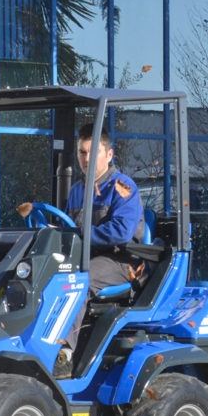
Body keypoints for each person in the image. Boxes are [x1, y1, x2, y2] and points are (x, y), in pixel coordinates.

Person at [55, 123, 145, 379]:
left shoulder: (123, 187)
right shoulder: (77, 190)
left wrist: (81, 235)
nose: (86, 159)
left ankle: (64, 353)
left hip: (120, 260)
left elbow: (122, 232)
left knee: (77, 281)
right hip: (87, 257)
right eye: (82, 152)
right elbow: (68, 227)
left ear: (109, 154)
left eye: (93, 152)